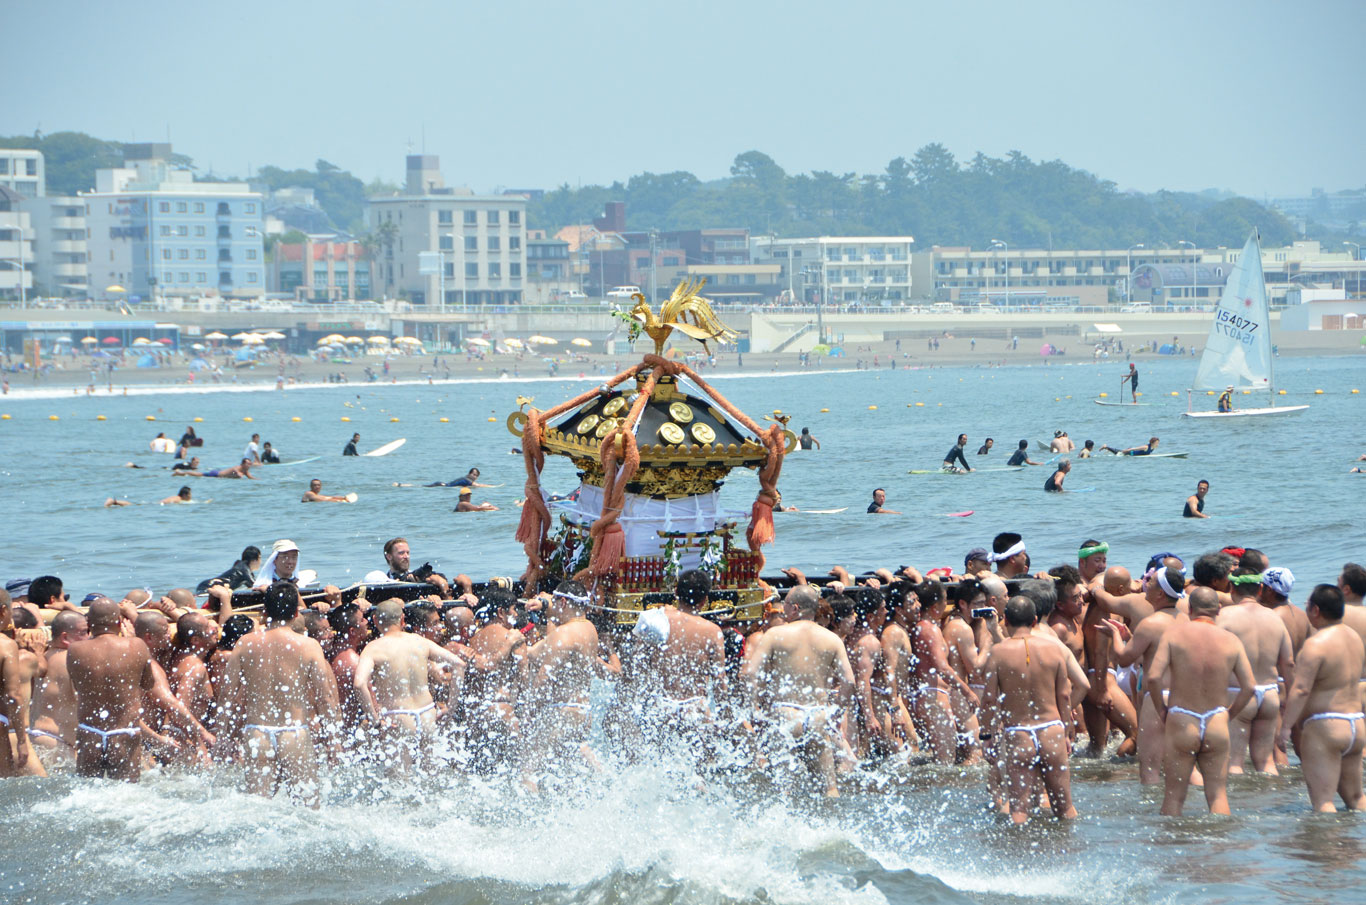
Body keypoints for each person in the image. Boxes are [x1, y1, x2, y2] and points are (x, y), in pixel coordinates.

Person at [218, 581, 340, 805]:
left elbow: (226, 695)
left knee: (258, 808)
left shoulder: (245, 643)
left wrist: (223, 737)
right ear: (296, 613)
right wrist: (333, 740)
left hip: (258, 733)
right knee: (307, 808)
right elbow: (325, 698)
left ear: (264, 612)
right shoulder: (308, 645)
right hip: (294, 734)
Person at [66, 601, 212, 781]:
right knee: (127, 795)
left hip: (90, 732)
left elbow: (78, 686)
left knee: (86, 792)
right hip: (124, 733)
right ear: (119, 621)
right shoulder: (136, 646)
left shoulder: (74, 650)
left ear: (89, 624)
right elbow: (147, 683)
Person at [1148, 587, 1255, 815]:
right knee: (1217, 795)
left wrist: (1162, 711)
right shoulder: (1231, 640)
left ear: (1189, 609)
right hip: (1216, 719)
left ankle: (1173, 846)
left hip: (1182, 718)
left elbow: (1154, 677)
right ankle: (1219, 848)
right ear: (1218, 609)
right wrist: (1229, 714)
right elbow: (1250, 687)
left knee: (1174, 798)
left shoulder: (1174, 635)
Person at [743, 583, 856, 797]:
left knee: (783, 790)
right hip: (817, 715)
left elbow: (750, 673)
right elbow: (849, 682)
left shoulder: (775, 634)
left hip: (785, 714)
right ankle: (831, 828)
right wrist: (837, 713)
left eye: (785, 605)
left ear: (795, 608)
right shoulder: (832, 639)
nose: (783, 610)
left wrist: (753, 709)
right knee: (829, 789)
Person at [981, 595, 1077, 823]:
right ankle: (1070, 856)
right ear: (1035, 621)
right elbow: (1064, 695)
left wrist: (986, 735)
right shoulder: (1054, 649)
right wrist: (1068, 730)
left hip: (1019, 733)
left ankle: (1017, 856)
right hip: (1051, 730)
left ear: (1004, 620)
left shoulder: (998, 652)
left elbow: (988, 700)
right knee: (1065, 810)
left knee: (1019, 811)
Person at [521, 580, 619, 790]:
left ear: (563, 602)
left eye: (555, 603)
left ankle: (528, 819)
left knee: (528, 771)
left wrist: (528, 711)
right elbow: (544, 649)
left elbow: (543, 677)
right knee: (578, 763)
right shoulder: (589, 628)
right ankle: (611, 790)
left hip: (561, 712)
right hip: (582, 712)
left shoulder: (563, 635)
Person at [1279, 584, 1366, 812]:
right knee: (1357, 799)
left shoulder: (1316, 644)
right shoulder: (1354, 638)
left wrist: (1286, 728)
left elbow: (1300, 690)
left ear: (1315, 610)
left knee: (1323, 802)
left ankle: (1328, 849)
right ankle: (1355, 847)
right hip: (1356, 723)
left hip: (1325, 727)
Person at [619, 570, 726, 752]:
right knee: (703, 768)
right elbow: (719, 682)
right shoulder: (713, 631)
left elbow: (636, 666)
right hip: (695, 709)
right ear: (705, 600)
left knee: (660, 762)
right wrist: (725, 718)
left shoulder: (657, 621)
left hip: (662, 705)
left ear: (675, 592)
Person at [353, 599, 465, 772]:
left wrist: (375, 720)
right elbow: (459, 664)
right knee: (432, 776)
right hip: (427, 714)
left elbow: (359, 684)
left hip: (398, 718)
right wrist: (451, 707)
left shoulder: (373, 648)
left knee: (399, 780)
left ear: (375, 621)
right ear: (402, 619)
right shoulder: (420, 642)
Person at [1100, 565, 1187, 784]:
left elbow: (1123, 659)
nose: (1144, 585)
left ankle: (1153, 817)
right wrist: (1129, 636)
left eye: (1151, 583)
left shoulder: (1150, 623)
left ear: (1160, 593)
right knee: (1182, 765)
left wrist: (1115, 634)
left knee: (1149, 767)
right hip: (1184, 697)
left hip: (1156, 697)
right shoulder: (1186, 619)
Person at [1216, 568, 1295, 774]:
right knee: (1266, 762)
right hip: (1269, 694)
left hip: (1238, 694)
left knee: (1234, 762)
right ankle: (1271, 802)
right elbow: (1287, 662)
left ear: (1232, 588)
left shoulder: (1224, 616)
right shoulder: (1275, 618)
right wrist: (1291, 697)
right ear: (1260, 589)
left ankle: (1241, 805)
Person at [196, 545, 260, 594]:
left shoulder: (240, 566)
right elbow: (256, 586)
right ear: (254, 560)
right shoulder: (244, 569)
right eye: (260, 558)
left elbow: (251, 586)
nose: (260, 561)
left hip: (205, 585)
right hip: (208, 586)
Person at [425, 466, 491, 488]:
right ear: (469, 474)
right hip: (440, 485)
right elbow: (478, 485)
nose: (474, 477)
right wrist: (490, 486)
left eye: (476, 476)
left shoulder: (466, 479)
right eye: (473, 474)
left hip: (441, 484)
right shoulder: (467, 480)